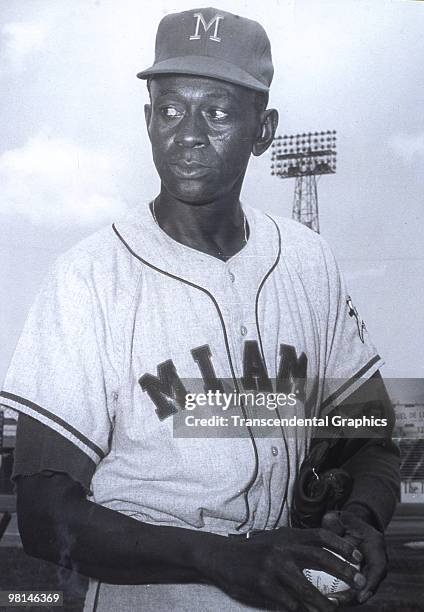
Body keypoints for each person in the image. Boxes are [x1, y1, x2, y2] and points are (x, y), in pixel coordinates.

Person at [1, 7, 399, 612]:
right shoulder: (87, 277)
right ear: (147, 119)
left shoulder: (308, 262)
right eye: (169, 109)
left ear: (263, 130)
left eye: (215, 111)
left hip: (290, 591)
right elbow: (43, 512)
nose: (186, 132)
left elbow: (370, 431)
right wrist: (217, 556)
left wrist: (362, 515)